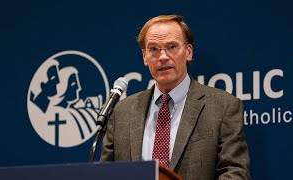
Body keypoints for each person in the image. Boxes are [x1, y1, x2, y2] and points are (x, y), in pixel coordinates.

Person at [100, 14, 251, 179]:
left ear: (188, 52)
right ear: (145, 57)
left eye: (171, 47)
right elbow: (105, 174)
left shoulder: (223, 107)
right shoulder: (122, 112)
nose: (163, 57)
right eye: (153, 49)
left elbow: (235, 173)